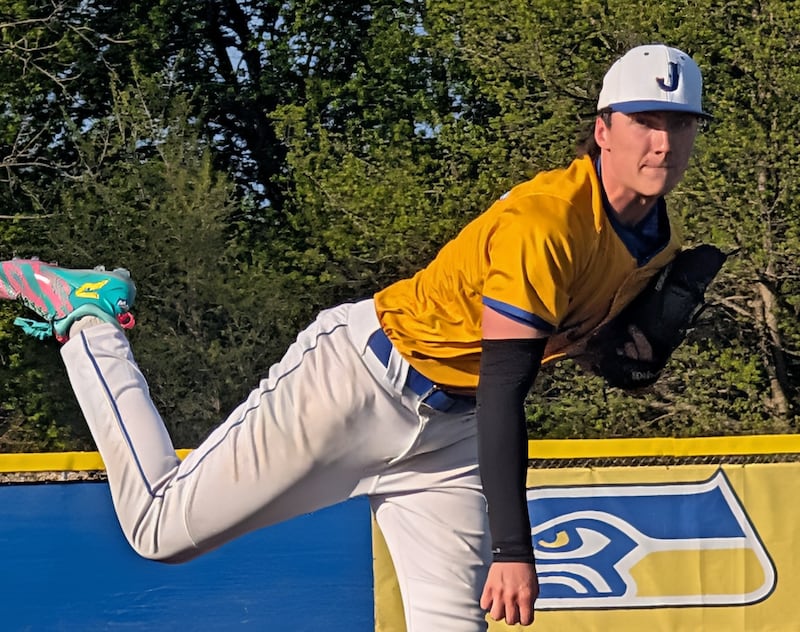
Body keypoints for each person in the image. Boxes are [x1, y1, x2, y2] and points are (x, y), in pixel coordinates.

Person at [0, 43, 709, 630]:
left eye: (680, 124)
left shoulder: (659, 237)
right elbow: (505, 385)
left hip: (449, 437)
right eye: (644, 120)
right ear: (602, 129)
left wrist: (619, 349)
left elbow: (580, 350)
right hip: (360, 383)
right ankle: (88, 318)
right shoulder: (546, 222)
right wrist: (513, 549)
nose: (662, 141)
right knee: (158, 531)